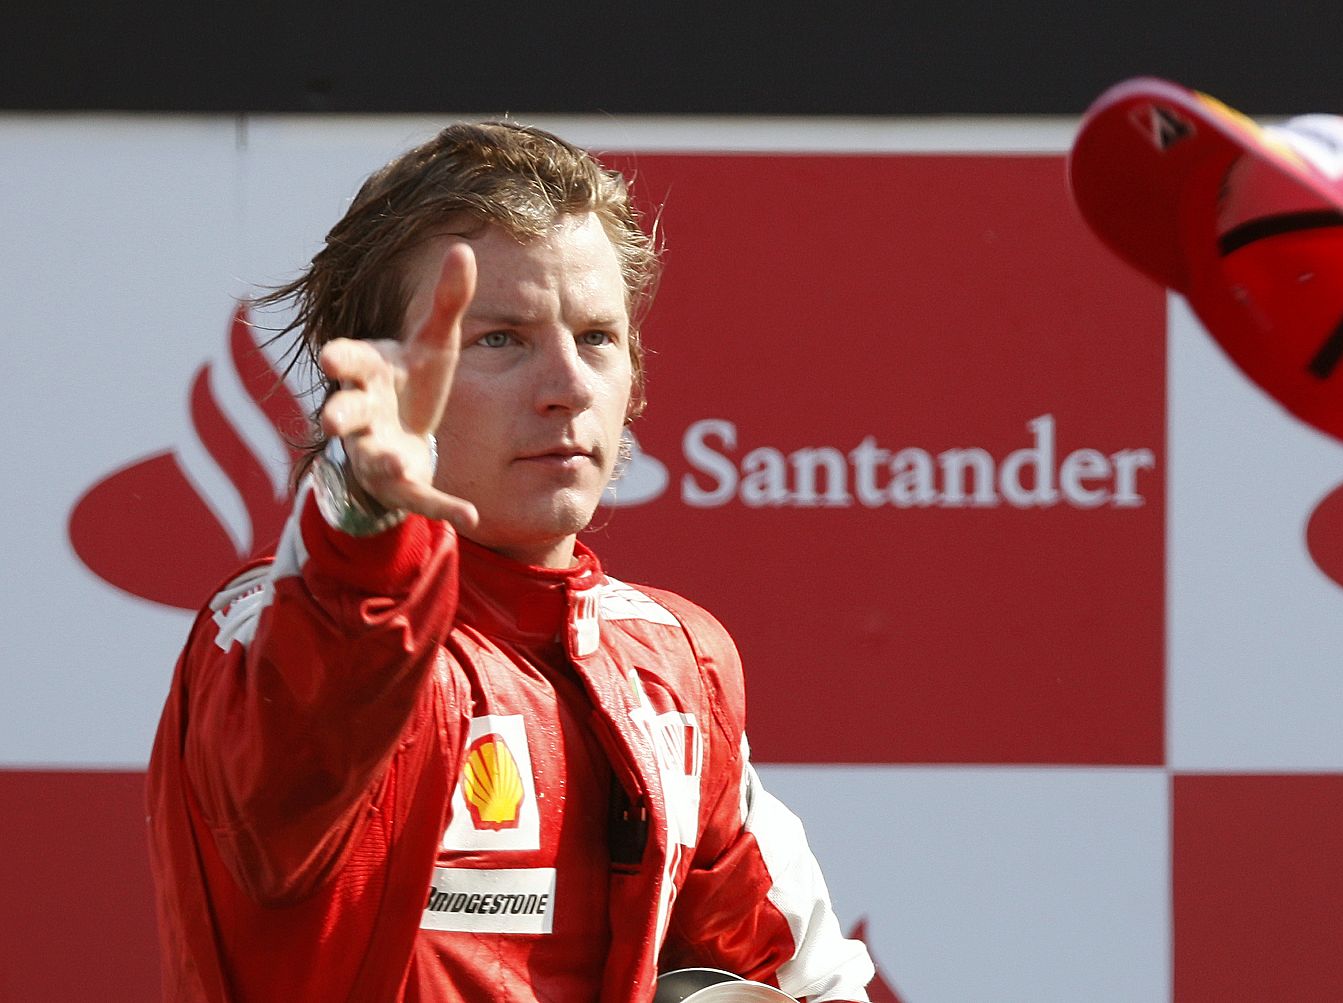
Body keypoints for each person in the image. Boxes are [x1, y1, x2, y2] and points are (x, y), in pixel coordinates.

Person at [147, 122, 875, 1003]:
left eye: (598, 336)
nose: (566, 383)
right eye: (499, 338)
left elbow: (801, 975)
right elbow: (317, 716)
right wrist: (366, 515)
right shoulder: (277, 632)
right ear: (375, 379)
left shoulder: (678, 662)